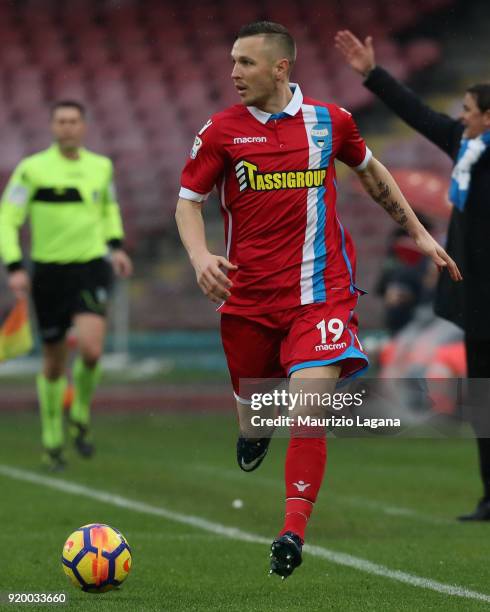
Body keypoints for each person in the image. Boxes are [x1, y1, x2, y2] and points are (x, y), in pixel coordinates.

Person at [176, 21, 460, 578]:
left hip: (320, 296)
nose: (233, 73)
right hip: (249, 298)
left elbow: (372, 174)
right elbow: (188, 203)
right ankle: (252, 429)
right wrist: (200, 257)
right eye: (232, 61)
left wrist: (420, 233)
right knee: (257, 412)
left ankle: (293, 531)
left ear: (280, 68)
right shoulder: (220, 131)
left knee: (309, 410)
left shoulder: (332, 122)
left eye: (246, 63)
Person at [335, 29, 490, 521]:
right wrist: (372, 74)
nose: (461, 115)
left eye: (469, 109)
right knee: (483, 404)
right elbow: (418, 115)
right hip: (476, 299)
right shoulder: (466, 151)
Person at [0, 100, 133, 471]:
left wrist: (116, 246)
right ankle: (52, 438)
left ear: (84, 126)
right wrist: (14, 265)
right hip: (49, 273)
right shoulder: (32, 170)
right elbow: (7, 218)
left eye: (74, 121)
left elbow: (109, 208)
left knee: (91, 351)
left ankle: (80, 412)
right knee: (54, 363)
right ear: (52, 126)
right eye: (61, 121)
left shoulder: (100, 167)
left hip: (91, 267)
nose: (68, 127)